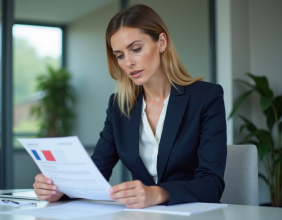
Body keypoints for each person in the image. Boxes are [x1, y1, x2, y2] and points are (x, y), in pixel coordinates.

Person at [33, 4, 227, 209]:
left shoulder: (206, 97)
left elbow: (212, 184)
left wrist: (157, 193)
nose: (128, 63)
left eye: (136, 49)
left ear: (161, 42)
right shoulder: (119, 107)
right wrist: (60, 190)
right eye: (120, 55)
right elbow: (95, 172)